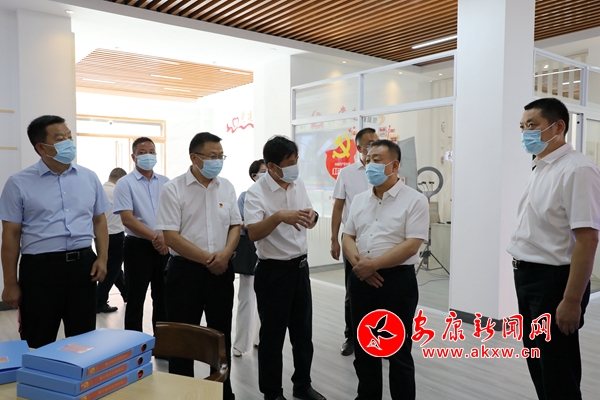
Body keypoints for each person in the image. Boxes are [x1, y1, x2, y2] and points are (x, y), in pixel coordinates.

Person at [508, 97, 600, 400]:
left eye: (531, 125)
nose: (525, 133)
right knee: (538, 361)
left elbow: (587, 239)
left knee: (558, 369)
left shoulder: (577, 169)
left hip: (554, 282)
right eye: (522, 127)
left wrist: (571, 300)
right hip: (528, 277)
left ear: (558, 127)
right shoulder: (542, 166)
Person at [0, 115, 110, 348]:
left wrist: (102, 258)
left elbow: (99, 220)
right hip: (41, 270)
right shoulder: (18, 183)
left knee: (84, 340)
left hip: (83, 267)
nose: (69, 143)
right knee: (37, 340)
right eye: (60, 139)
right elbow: (10, 235)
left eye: (69, 137)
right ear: (41, 147)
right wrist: (10, 283)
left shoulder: (89, 177)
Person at [155, 132, 240, 400]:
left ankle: (223, 393)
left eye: (221, 156)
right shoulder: (174, 189)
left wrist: (225, 255)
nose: (218, 161)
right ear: (194, 157)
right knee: (183, 340)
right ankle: (183, 394)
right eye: (212, 156)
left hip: (222, 272)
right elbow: (171, 236)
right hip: (185, 274)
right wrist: (208, 259)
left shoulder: (226, 186)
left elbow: (235, 225)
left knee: (221, 336)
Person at [342, 139, 429, 400]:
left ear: (395, 165)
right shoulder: (360, 200)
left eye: (377, 160)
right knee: (365, 348)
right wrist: (360, 265)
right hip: (361, 279)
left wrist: (374, 265)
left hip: (396, 282)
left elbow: (412, 245)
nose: (371, 165)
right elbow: (348, 236)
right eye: (368, 160)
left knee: (398, 351)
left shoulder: (414, 200)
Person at [244, 136, 326, 400]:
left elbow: (310, 214)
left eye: (296, 160)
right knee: (272, 337)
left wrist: (312, 217)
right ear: (272, 166)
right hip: (273, 272)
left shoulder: (297, 183)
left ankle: (302, 385)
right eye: (289, 163)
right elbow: (253, 232)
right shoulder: (256, 193)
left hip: (300, 268)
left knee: (303, 335)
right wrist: (279, 216)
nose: (295, 167)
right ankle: (272, 393)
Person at [113, 137, 170, 333]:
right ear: (133, 156)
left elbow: (173, 214)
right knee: (135, 299)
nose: (148, 156)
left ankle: (163, 344)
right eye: (143, 152)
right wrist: (156, 237)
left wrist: (165, 238)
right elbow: (127, 219)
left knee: (163, 299)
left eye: (152, 152)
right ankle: (134, 344)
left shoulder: (165, 182)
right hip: (137, 248)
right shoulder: (125, 183)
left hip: (164, 247)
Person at [331, 127, 379, 356]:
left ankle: (377, 338)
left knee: (379, 291)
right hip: (353, 240)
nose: (374, 146)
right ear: (359, 147)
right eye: (369, 143)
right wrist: (334, 239)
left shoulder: (384, 171)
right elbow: (338, 207)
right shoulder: (347, 173)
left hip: (380, 241)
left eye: (376, 142)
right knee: (353, 291)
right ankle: (351, 336)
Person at [232, 159, 267, 357]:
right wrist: (256, 224)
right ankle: (240, 344)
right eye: (262, 171)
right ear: (254, 176)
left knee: (266, 299)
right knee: (246, 297)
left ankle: (259, 338)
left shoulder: (275, 195)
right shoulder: (245, 196)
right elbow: (238, 223)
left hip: (270, 251)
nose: (266, 174)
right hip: (250, 250)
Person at [97, 167, 128, 313]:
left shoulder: (100, 190)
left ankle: (126, 293)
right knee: (111, 270)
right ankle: (99, 302)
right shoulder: (118, 192)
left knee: (113, 268)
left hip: (100, 236)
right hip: (116, 236)